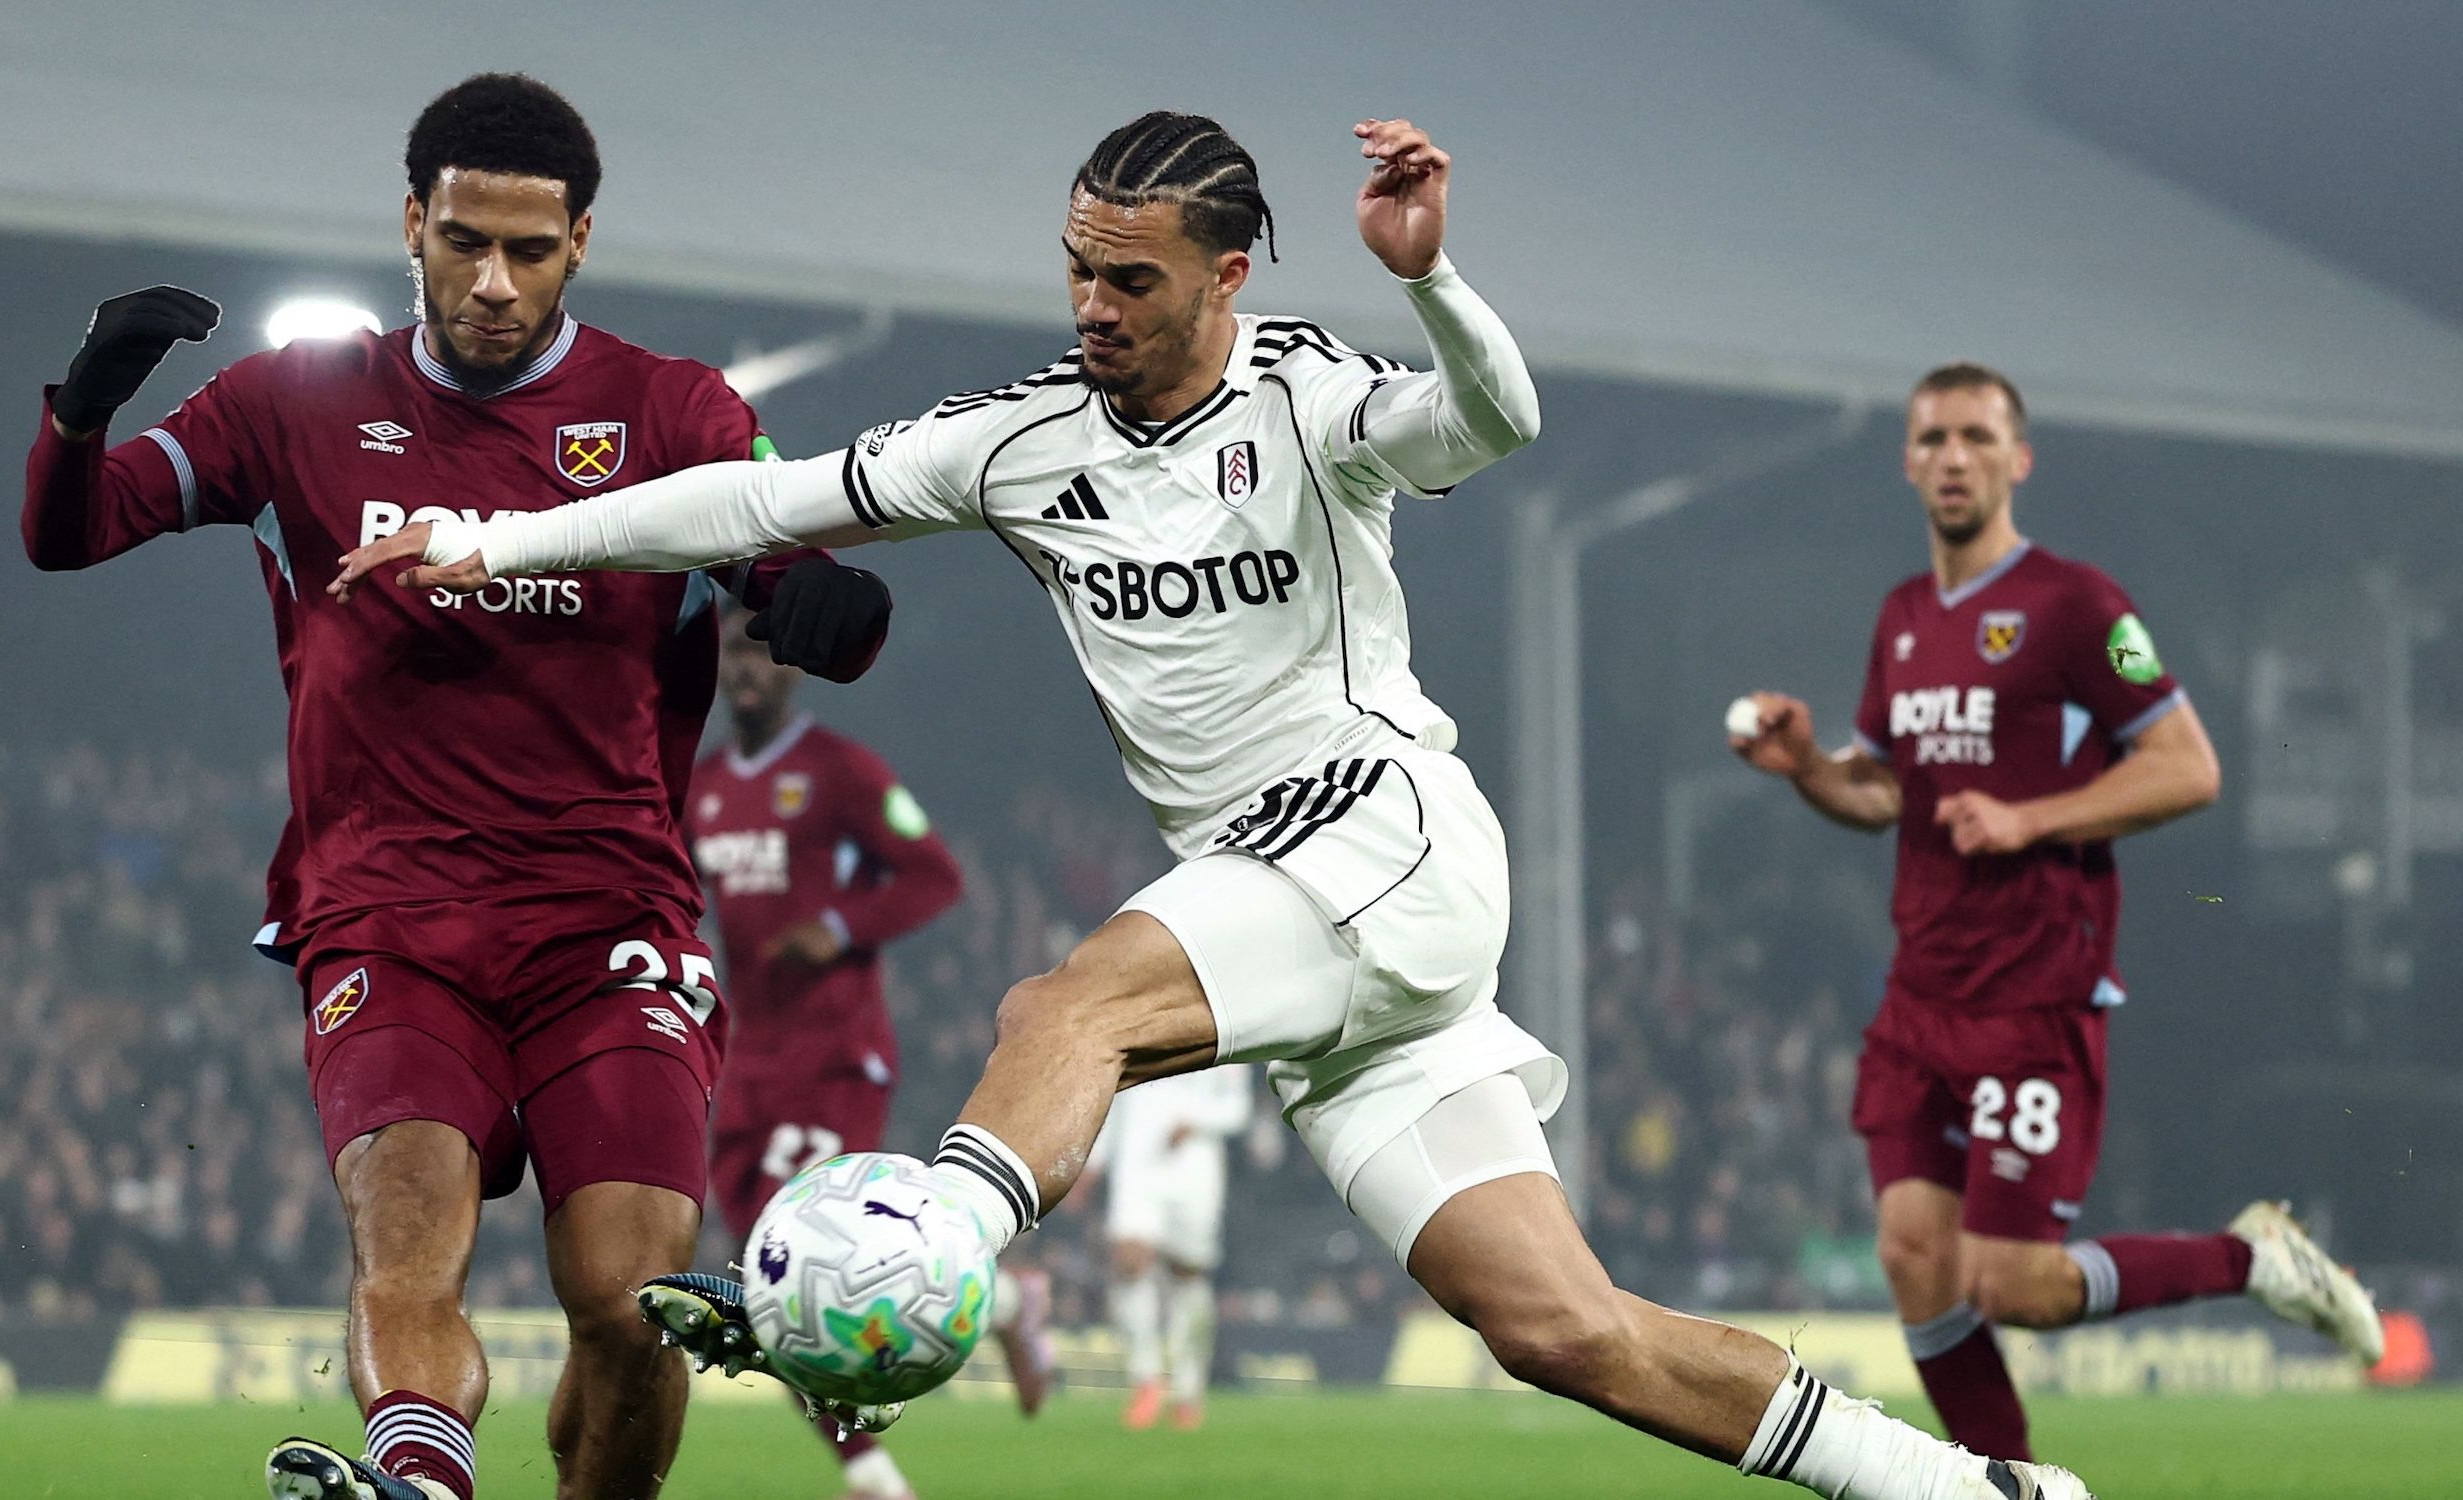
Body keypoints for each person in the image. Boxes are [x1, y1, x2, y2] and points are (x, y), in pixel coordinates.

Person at [340, 111, 2091, 1499]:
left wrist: (1432, 277)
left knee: (1061, 1009)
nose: (1092, 307)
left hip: (1384, 833)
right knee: (1566, 1333)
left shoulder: (1312, 400)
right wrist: (494, 540)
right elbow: (750, 503)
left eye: (1132, 279)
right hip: (1292, 923)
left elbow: (1495, 420)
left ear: (1229, 273)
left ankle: (913, 1266)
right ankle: (1973, 1491)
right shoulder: (1020, 441)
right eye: (1076, 270)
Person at [19, 73, 896, 1500]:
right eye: (464, 242)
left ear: (581, 243)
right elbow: (72, 532)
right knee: (406, 1243)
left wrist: (824, 607)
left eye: (529, 252)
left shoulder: (669, 410)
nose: (494, 283)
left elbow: (795, 573)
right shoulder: (295, 400)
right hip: (386, 914)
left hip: (606, 923)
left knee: (631, 1305)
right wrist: (81, 412)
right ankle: (424, 1485)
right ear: (411, 225)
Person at [1727, 364, 2382, 1462]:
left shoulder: (2079, 606)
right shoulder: (1903, 617)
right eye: (1934, 438)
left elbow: (2188, 767)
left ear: (2018, 460)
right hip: (1921, 994)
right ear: (1908, 461)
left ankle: (2255, 1260)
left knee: (2014, 1285)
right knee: (1913, 1255)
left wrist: (2030, 819)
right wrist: (1809, 769)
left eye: (1977, 437)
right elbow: (1883, 793)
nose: (1954, 457)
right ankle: (2017, 1488)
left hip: (2033, 995)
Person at [686, 609, 1053, 1500]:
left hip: (834, 1052)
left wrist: (842, 926)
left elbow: (934, 874)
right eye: (734, 650)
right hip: (747, 1056)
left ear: (793, 667)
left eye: (764, 652)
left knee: (790, 1259)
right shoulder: (702, 788)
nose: (748, 668)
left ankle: (874, 1479)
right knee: (757, 1270)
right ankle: (1007, 1302)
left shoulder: (839, 771)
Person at [1093, 1064, 1252, 1431]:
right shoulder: (1132, 1030)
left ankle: (1187, 1389)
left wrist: (1195, 1122)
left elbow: (1237, 1108)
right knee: (1129, 1263)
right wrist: (1095, 1159)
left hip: (1193, 1165)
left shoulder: (1227, 1040)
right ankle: (1146, 1379)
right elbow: (1112, 1097)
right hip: (1136, 1162)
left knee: (1188, 1276)